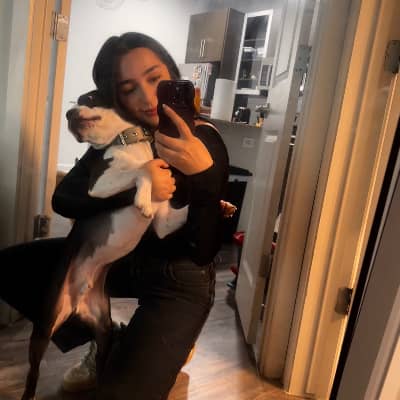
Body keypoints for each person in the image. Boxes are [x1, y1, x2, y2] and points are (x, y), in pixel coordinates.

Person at [50, 32, 229, 399]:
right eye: (129, 89)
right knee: (15, 269)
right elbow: (64, 199)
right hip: (122, 263)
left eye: (154, 78)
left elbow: (202, 251)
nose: (148, 99)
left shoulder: (204, 138)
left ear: (172, 74)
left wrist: (205, 177)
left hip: (178, 280)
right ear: (116, 96)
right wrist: (135, 189)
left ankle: (157, 345)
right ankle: (107, 337)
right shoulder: (121, 137)